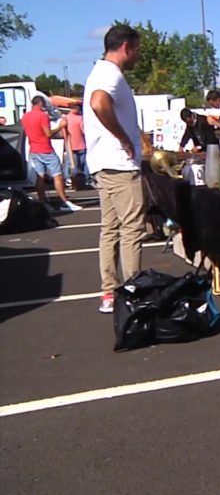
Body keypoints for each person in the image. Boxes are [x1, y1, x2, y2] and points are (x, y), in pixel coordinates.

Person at [84, 24, 146, 313]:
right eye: (137, 50)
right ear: (126, 48)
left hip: (102, 163)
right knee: (132, 228)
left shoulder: (99, 72)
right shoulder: (111, 74)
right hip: (119, 164)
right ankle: (134, 291)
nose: (138, 56)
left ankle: (109, 292)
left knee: (110, 228)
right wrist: (122, 137)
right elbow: (99, 103)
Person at [23, 96, 80, 211]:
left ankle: (43, 202)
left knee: (40, 176)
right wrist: (60, 126)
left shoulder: (25, 116)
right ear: (40, 103)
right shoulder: (42, 116)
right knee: (57, 176)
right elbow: (48, 133)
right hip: (46, 149)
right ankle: (65, 202)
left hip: (34, 149)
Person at [63, 102, 90, 188]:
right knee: (82, 164)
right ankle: (84, 179)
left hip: (70, 144)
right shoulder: (80, 118)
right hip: (81, 144)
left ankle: (68, 179)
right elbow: (84, 131)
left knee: (70, 164)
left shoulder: (65, 118)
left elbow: (63, 133)